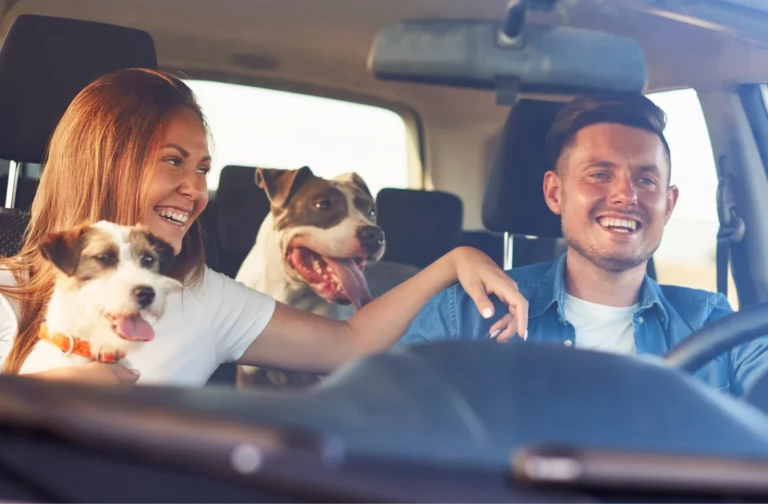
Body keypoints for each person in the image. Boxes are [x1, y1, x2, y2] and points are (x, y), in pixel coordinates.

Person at [0, 68, 529, 386]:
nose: (195, 189)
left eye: (203, 169)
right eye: (173, 161)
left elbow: (351, 341)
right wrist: (44, 400)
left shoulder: (203, 298)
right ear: (106, 162)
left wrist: (453, 263)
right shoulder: (9, 293)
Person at [398, 94, 768, 397]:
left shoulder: (712, 323)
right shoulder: (465, 315)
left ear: (668, 205)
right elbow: (385, 423)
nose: (626, 195)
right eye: (600, 175)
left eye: (645, 179)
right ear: (555, 193)